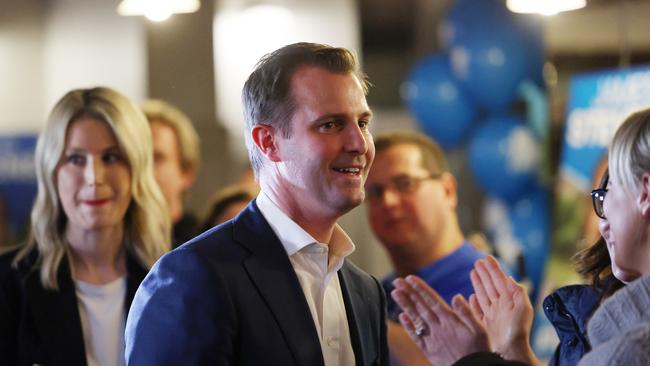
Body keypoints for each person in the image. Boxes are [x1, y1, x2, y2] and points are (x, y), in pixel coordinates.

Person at [125, 42, 389, 365]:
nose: (359, 143)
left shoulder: (366, 293)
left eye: (363, 123)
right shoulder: (193, 277)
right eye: (330, 124)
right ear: (269, 142)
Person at [392, 108, 650, 366]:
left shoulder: (631, 351)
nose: (602, 221)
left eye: (610, 189)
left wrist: (474, 360)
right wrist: (513, 350)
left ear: (645, 193)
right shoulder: (616, 322)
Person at [0, 87, 170, 366]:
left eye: (111, 157)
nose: (94, 178)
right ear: (52, 171)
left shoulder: (174, 281)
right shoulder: (9, 287)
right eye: (76, 159)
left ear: (137, 168)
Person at [364, 131, 487, 365]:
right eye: (376, 192)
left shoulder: (486, 286)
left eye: (405, 184)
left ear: (448, 190)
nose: (388, 201)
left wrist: (359, 318)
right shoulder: (374, 293)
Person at [141, 99, 200, 246]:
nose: (143, 168)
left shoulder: (208, 245)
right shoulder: (110, 251)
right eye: (138, 157)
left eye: (157, 158)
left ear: (186, 172)